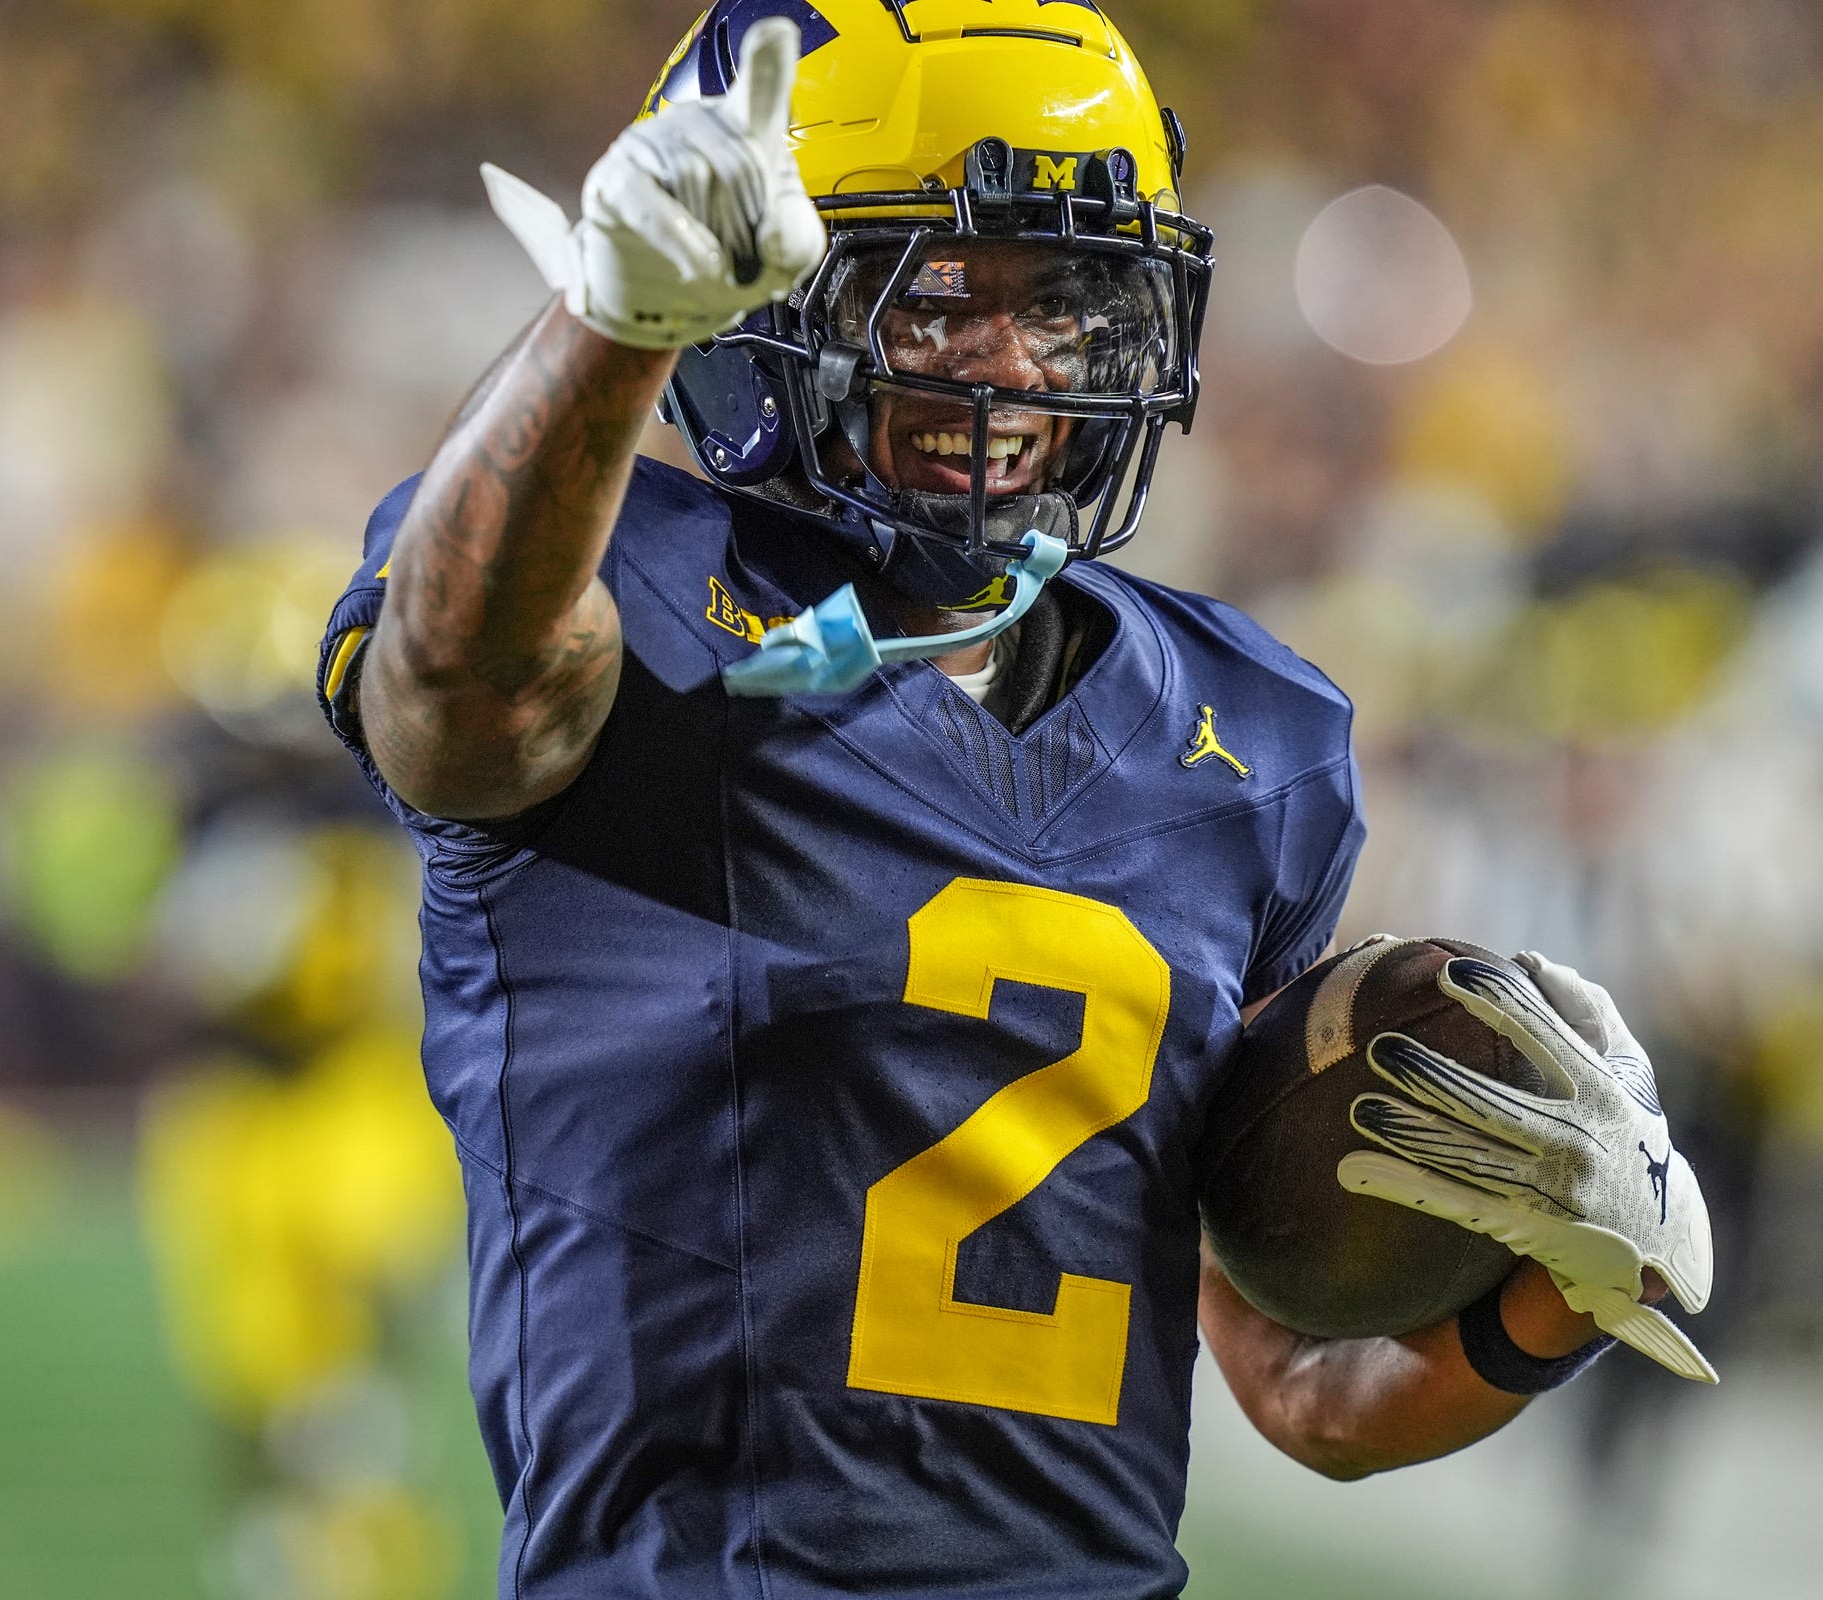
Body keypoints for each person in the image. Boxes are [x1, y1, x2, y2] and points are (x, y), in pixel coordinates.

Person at [315, 6, 1714, 1595]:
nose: (1012, 366)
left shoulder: (1251, 738)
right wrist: (605, 327)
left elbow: (1301, 1395)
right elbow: (454, 690)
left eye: (1067, 304)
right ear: (756, 289)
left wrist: (1567, 1295)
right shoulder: (618, 598)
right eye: (941, 299)